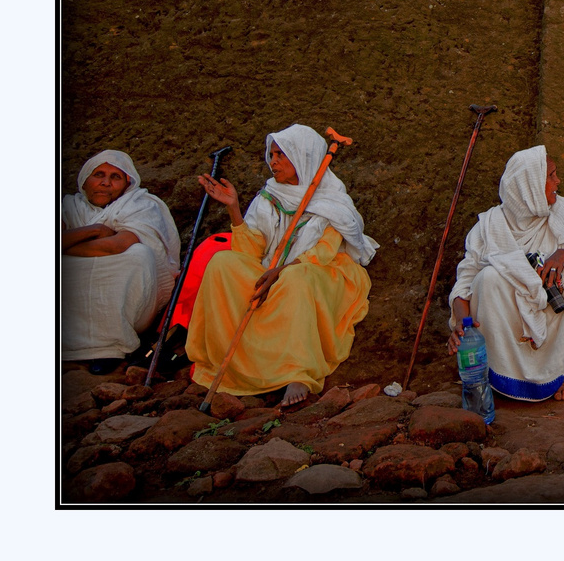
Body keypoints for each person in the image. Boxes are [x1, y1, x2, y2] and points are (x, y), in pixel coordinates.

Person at [188, 124, 378, 409]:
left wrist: (281, 271)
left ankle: (297, 372)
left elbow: (324, 252)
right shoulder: (269, 196)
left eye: (282, 154)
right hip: (272, 269)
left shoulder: (334, 203)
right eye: (272, 154)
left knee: (296, 278)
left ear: (303, 157)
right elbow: (250, 251)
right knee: (222, 262)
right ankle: (229, 361)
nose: (273, 161)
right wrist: (234, 209)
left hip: (319, 273)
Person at [448, 146, 564, 401]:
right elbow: (463, 283)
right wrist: (464, 327)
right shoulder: (489, 227)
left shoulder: (561, 212)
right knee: (487, 279)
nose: (558, 181)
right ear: (528, 187)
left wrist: (563, 255)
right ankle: (507, 374)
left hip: (554, 316)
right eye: (551, 175)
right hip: (512, 321)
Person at [62, 150, 182, 374]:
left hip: (134, 309)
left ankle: (109, 348)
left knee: (138, 256)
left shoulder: (141, 205)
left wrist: (67, 245)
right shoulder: (67, 207)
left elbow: (117, 245)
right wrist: (96, 230)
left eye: (115, 177)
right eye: (99, 175)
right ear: (85, 181)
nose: (106, 183)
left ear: (127, 184)